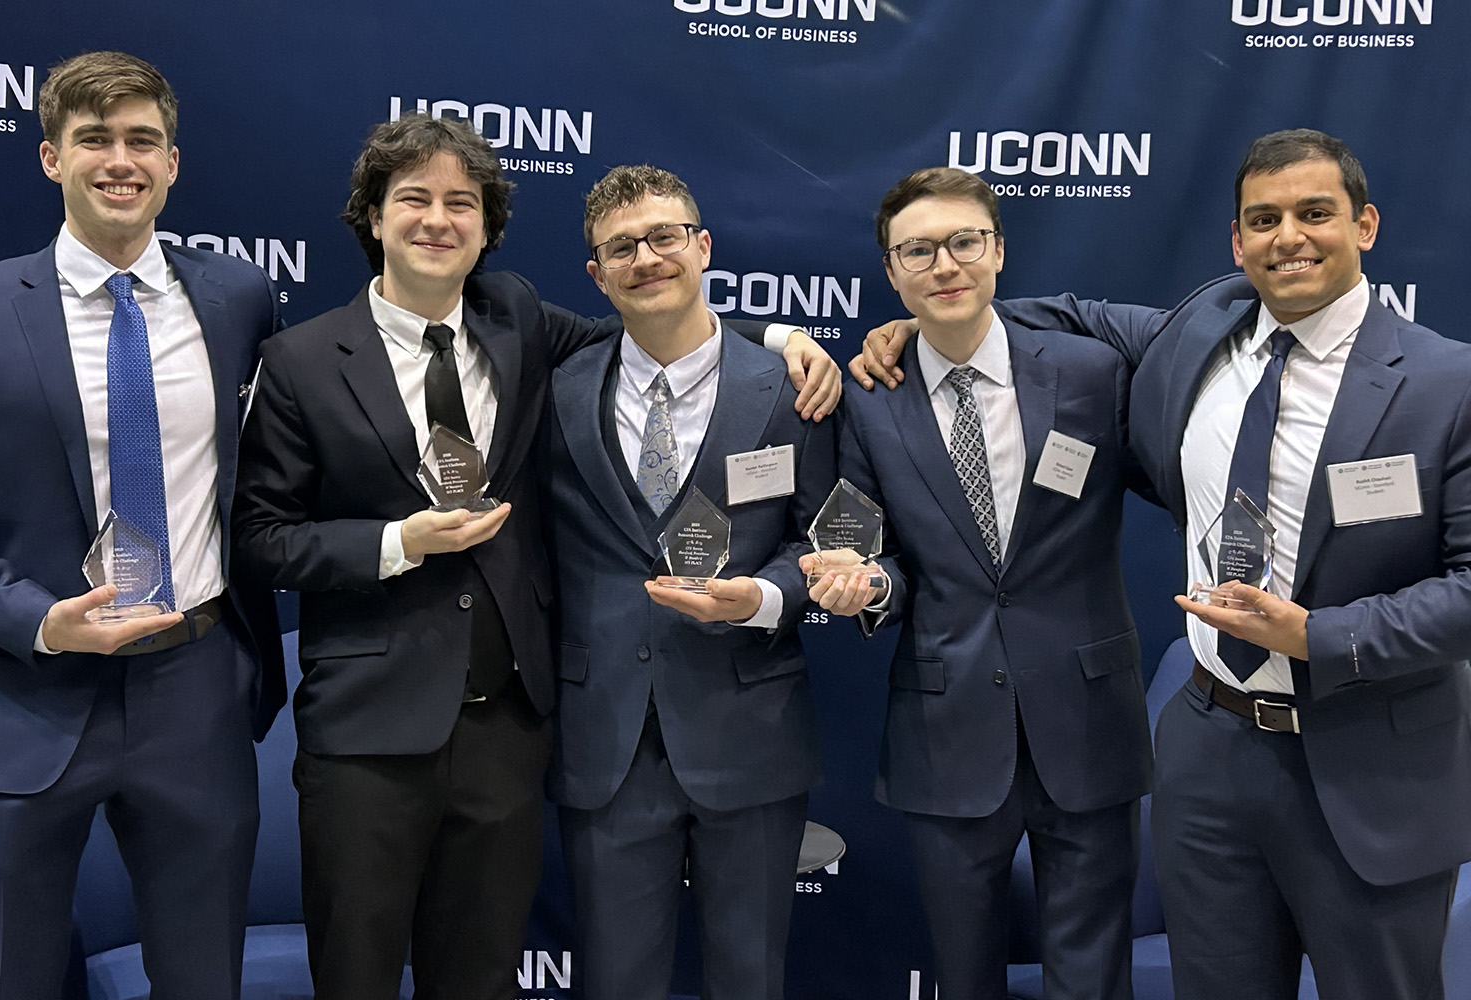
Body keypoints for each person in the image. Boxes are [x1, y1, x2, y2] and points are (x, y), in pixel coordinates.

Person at [853, 129, 1471, 1000]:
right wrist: (911, 327)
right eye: (1264, 219)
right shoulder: (1195, 338)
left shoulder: (1450, 383)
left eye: (1314, 214)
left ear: (1365, 225)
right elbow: (1043, 315)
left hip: (1370, 758)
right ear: (1236, 243)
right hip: (1208, 751)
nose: (1287, 236)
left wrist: (1317, 636)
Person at [231, 120, 838, 1000]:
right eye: (414, 200)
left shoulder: (514, 318)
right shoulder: (299, 360)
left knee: (480, 977)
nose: (438, 220)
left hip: (506, 727)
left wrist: (781, 337)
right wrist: (399, 541)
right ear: (371, 216)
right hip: (368, 726)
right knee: (355, 976)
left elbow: (657, 316)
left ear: (486, 228)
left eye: (461, 204)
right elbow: (257, 539)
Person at [0, 51, 286, 1000]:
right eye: (94, 138)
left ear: (173, 164)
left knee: (202, 979)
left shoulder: (237, 301)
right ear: (52, 159)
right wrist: (37, 619)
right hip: (25, 694)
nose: (121, 159)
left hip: (195, 690)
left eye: (143, 140)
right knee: (7, 977)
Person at [809, 167, 1149, 1000]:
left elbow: (1199, 354)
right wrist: (867, 587)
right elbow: (876, 553)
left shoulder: (1092, 372)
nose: (944, 264)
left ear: (998, 250)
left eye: (964, 242)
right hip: (947, 722)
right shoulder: (870, 403)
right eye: (917, 251)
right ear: (891, 273)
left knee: (1093, 970)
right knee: (962, 973)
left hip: (1086, 714)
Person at [542, 163, 835, 1000]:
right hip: (606, 740)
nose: (647, 258)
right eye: (621, 247)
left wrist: (767, 598)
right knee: (616, 982)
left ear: (702, 246)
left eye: (664, 236)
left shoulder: (793, 389)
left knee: (751, 978)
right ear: (597, 275)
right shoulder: (557, 386)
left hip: (751, 726)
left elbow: (832, 544)